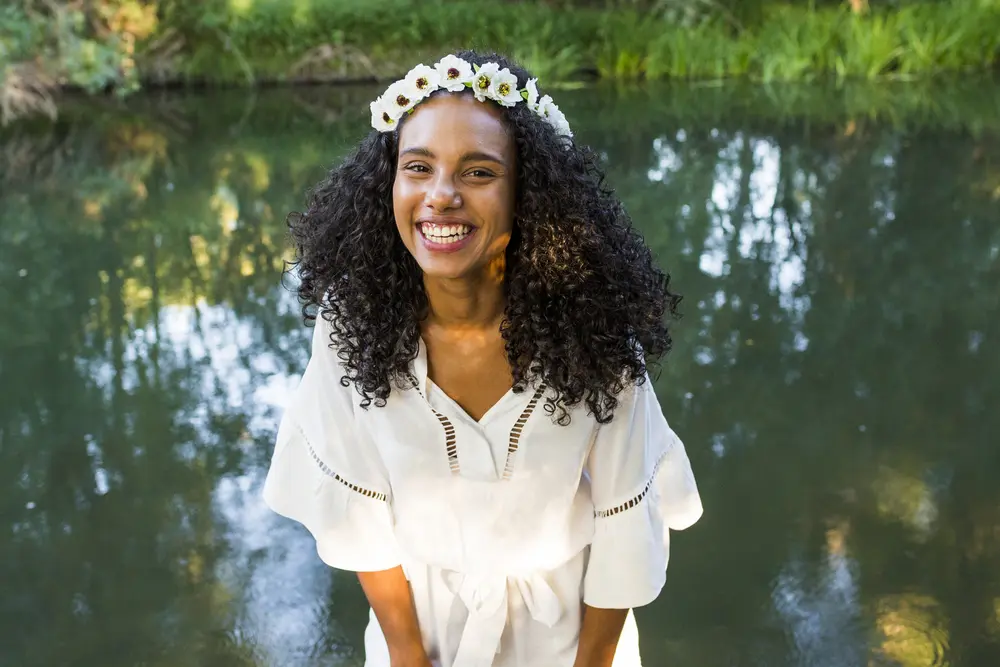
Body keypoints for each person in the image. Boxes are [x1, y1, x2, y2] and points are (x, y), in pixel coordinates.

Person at [263, 50, 703, 667]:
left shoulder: (591, 334)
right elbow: (358, 515)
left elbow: (623, 524)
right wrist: (408, 656)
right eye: (418, 167)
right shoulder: (351, 328)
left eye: (477, 172)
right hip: (418, 628)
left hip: (572, 634)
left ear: (529, 193)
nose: (440, 196)